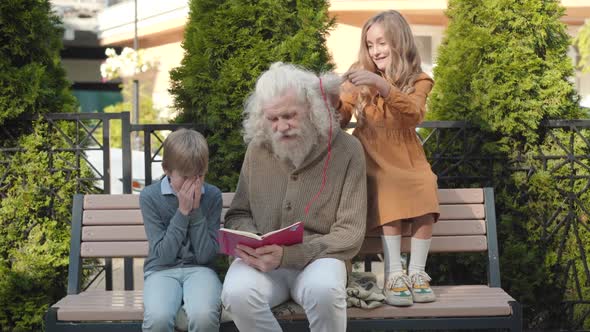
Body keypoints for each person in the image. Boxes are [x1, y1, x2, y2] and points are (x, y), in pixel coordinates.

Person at [221, 62, 367, 332]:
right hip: (262, 263)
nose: (281, 127)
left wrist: (289, 255)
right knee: (236, 293)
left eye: (290, 115)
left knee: (324, 291)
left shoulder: (348, 150)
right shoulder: (258, 149)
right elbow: (239, 213)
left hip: (320, 259)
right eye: (273, 119)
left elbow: (351, 231)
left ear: (312, 110)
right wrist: (253, 243)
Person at [337, 10, 440, 307]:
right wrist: (334, 99)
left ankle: (417, 272)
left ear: (399, 41)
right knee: (387, 183)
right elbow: (343, 115)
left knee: (427, 182)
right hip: (372, 153)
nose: (376, 51)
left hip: (407, 152)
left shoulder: (419, 79)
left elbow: (414, 114)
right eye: (370, 45)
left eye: (382, 43)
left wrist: (382, 85)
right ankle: (394, 273)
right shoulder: (361, 74)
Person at [140, 128, 222, 332]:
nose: (193, 184)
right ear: (167, 169)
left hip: (201, 270)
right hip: (161, 270)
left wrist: (195, 212)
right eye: (185, 177)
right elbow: (163, 256)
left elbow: (205, 256)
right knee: (158, 318)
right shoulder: (150, 197)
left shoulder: (212, 196)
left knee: (204, 316)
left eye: (199, 176)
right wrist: (182, 212)